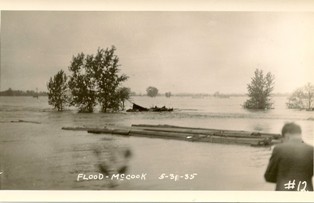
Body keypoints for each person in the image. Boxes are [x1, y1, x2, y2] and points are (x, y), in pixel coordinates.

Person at [264, 122, 313, 191]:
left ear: (286, 135)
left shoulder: (279, 149)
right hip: (306, 193)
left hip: (284, 192)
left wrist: (282, 179)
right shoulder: (311, 150)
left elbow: (268, 176)